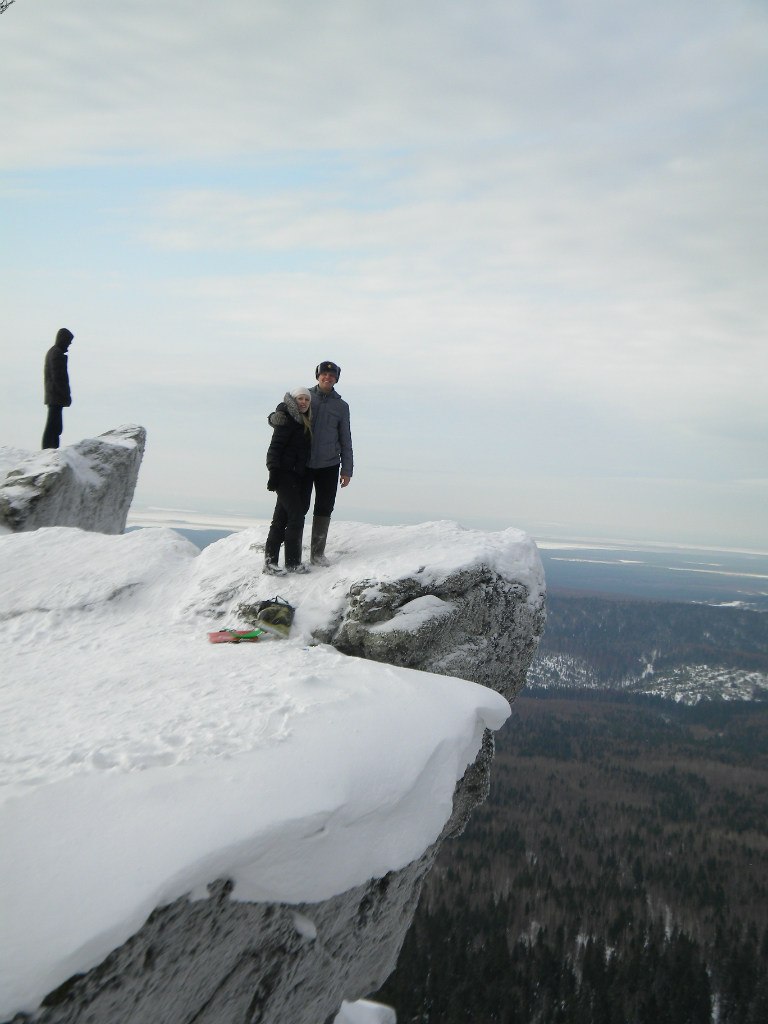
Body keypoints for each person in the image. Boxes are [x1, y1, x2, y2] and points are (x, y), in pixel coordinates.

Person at [263, 387, 314, 575]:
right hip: (284, 475)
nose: (303, 402)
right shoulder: (286, 419)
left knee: (280, 518)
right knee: (296, 516)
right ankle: (292, 562)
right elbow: (275, 447)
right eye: (300, 398)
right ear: (293, 400)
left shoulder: (303, 421)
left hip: (296, 476)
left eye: (306, 399)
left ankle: (270, 563)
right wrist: (273, 471)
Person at [307, 360, 353, 566]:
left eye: (332, 375)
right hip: (303, 462)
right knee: (299, 508)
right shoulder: (304, 397)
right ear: (318, 376)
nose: (328, 377)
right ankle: (292, 555)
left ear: (336, 379)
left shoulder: (341, 406)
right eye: (324, 374)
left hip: (329, 464)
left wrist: (347, 469)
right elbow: (284, 419)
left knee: (324, 507)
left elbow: (345, 438)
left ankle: (317, 554)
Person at [42, 327, 74, 449]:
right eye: (68, 342)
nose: (69, 345)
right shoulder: (56, 354)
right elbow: (59, 378)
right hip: (55, 396)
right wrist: (66, 395)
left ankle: (51, 448)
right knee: (53, 426)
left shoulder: (54, 352)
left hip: (54, 396)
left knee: (55, 426)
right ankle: (49, 449)